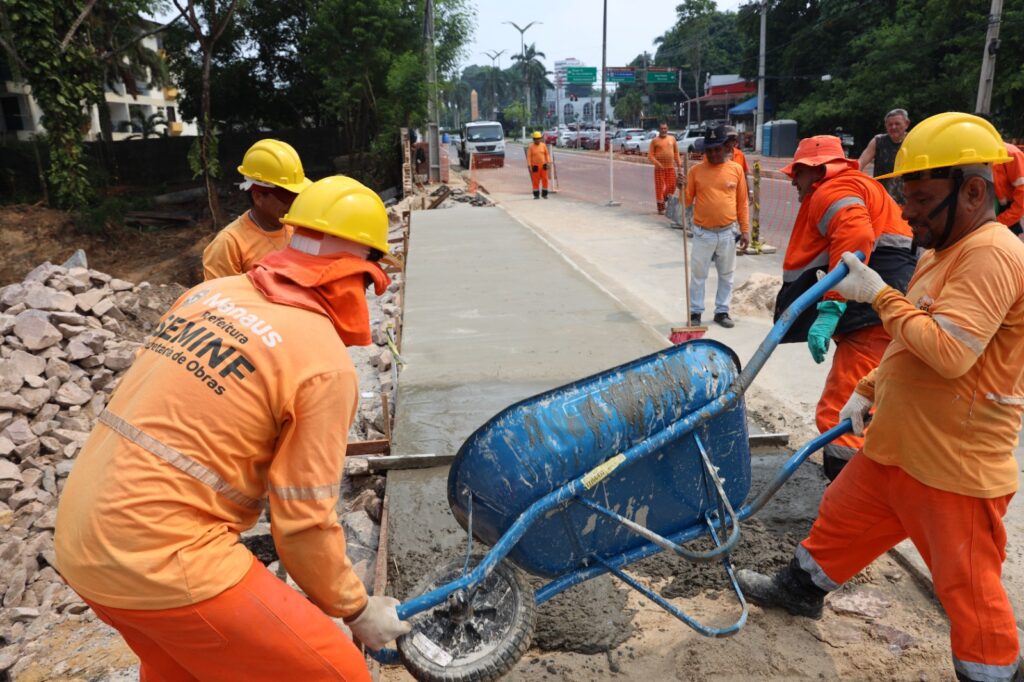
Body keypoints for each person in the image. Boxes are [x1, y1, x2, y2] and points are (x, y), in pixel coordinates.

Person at [54, 175, 411, 680]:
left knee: (182, 668)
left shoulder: (209, 295)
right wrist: (357, 609)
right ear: (355, 273)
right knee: (340, 674)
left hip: (78, 544)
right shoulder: (322, 364)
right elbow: (304, 524)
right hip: (162, 559)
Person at [739, 113, 1024, 682]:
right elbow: (908, 341)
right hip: (900, 444)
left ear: (972, 190)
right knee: (840, 520)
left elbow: (948, 351)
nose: (908, 212)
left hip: (952, 466)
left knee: (969, 592)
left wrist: (880, 294)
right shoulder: (944, 249)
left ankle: (993, 674)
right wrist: (868, 388)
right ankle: (800, 591)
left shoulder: (991, 253)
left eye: (920, 199)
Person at [774, 135, 917, 480]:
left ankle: (847, 498)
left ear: (818, 169)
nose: (794, 181)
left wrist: (831, 308)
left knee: (843, 407)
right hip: (882, 305)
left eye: (799, 173)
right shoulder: (855, 186)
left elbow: (857, 237)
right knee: (871, 403)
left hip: (873, 312)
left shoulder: (832, 190)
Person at [202, 139, 313, 280]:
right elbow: (218, 298)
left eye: (297, 195)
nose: (294, 203)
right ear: (258, 197)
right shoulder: (229, 244)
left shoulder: (298, 228)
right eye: (287, 197)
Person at [685, 125, 750, 328]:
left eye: (717, 149)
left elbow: (742, 202)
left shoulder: (736, 170)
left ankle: (722, 311)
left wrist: (745, 230)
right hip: (703, 233)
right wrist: (680, 188)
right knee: (698, 275)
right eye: (709, 150)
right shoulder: (695, 171)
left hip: (728, 232)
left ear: (725, 147)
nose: (713, 154)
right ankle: (695, 312)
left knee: (727, 274)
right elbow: (686, 202)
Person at [858, 108, 910, 204]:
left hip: (908, 200)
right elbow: (860, 162)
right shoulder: (878, 141)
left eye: (897, 123)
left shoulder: (913, 140)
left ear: (906, 124)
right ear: (885, 126)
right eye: (890, 124)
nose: (893, 127)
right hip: (882, 200)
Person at [648, 121, 681, 214]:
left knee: (672, 186)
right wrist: (657, 163)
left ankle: (663, 199)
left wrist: (679, 165)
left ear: (667, 129)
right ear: (659, 129)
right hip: (659, 169)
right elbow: (650, 156)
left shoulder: (672, 139)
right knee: (659, 187)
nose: (663, 130)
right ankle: (661, 208)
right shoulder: (654, 141)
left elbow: (676, 153)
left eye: (665, 128)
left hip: (670, 167)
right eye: (662, 128)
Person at [527, 130, 552, 199]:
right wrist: (529, 165)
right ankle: (536, 195)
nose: (537, 140)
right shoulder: (531, 147)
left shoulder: (543, 145)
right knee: (536, 181)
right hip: (535, 167)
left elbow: (547, 154)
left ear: (540, 139)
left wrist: (548, 162)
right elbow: (529, 157)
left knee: (545, 180)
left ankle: (544, 194)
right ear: (533, 139)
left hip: (543, 166)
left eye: (539, 139)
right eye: (536, 139)